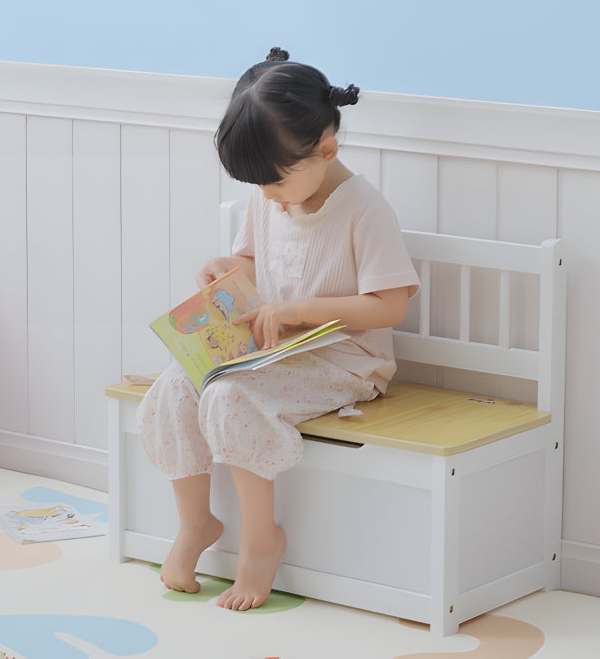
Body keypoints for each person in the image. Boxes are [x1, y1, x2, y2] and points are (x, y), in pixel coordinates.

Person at [137, 47, 420, 611]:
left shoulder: (365, 210)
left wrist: (300, 311)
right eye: (258, 185)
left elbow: (390, 306)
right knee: (174, 385)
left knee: (229, 396)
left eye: (272, 183)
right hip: (273, 352)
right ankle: (196, 524)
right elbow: (252, 261)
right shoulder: (270, 195)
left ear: (326, 149)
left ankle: (261, 540)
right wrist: (226, 269)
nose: (266, 195)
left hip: (345, 363)